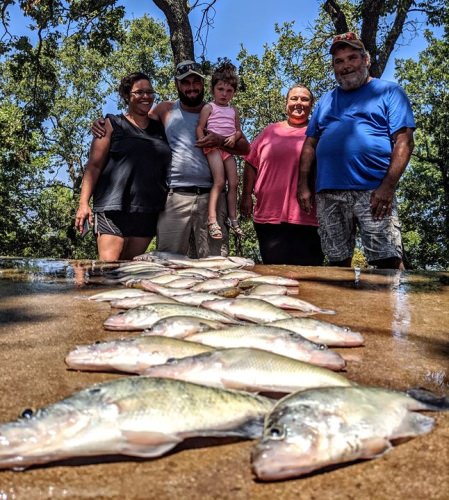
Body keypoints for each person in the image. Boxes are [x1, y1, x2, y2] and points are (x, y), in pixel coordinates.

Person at [92, 60, 250, 258]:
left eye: (196, 82)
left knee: (215, 262)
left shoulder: (215, 110)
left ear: (203, 84)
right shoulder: (164, 110)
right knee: (167, 261)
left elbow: (245, 148)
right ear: (177, 84)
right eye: (185, 82)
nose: (191, 87)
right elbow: (135, 120)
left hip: (212, 198)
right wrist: (105, 123)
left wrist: (219, 140)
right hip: (174, 197)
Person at [297, 32, 415, 270]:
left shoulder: (389, 92)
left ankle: (392, 308)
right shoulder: (326, 101)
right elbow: (310, 144)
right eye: (339, 61)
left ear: (366, 60)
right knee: (336, 262)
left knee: (387, 261)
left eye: (352, 58)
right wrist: (303, 185)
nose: (346, 66)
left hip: (373, 190)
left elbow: (404, 141)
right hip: (328, 191)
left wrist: (387, 186)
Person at [75, 72, 171, 261]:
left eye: (150, 92)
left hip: (147, 211)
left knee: (128, 270)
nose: (146, 96)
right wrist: (83, 203)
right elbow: (93, 166)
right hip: (113, 208)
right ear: (127, 96)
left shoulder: (161, 128)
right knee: (109, 269)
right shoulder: (111, 125)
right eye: (139, 92)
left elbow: (185, 107)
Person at [240, 84, 324, 265]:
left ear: (312, 105)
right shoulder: (269, 131)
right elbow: (250, 163)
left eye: (304, 99)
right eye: (294, 98)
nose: (299, 103)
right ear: (286, 103)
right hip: (269, 216)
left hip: (307, 218)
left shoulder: (318, 134)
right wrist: (246, 195)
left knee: (308, 278)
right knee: (274, 274)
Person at [196, 62, 244, 240]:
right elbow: (200, 127)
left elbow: (238, 130)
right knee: (219, 181)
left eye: (229, 90)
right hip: (213, 147)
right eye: (220, 89)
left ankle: (233, 218)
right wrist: (202, 142)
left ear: (234, 92)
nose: (224, 94)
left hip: (227, 148)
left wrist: (235, 137)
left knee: (234, 182)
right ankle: (212, 219)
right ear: (213, 89)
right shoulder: (209, 107)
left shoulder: (233, 110)